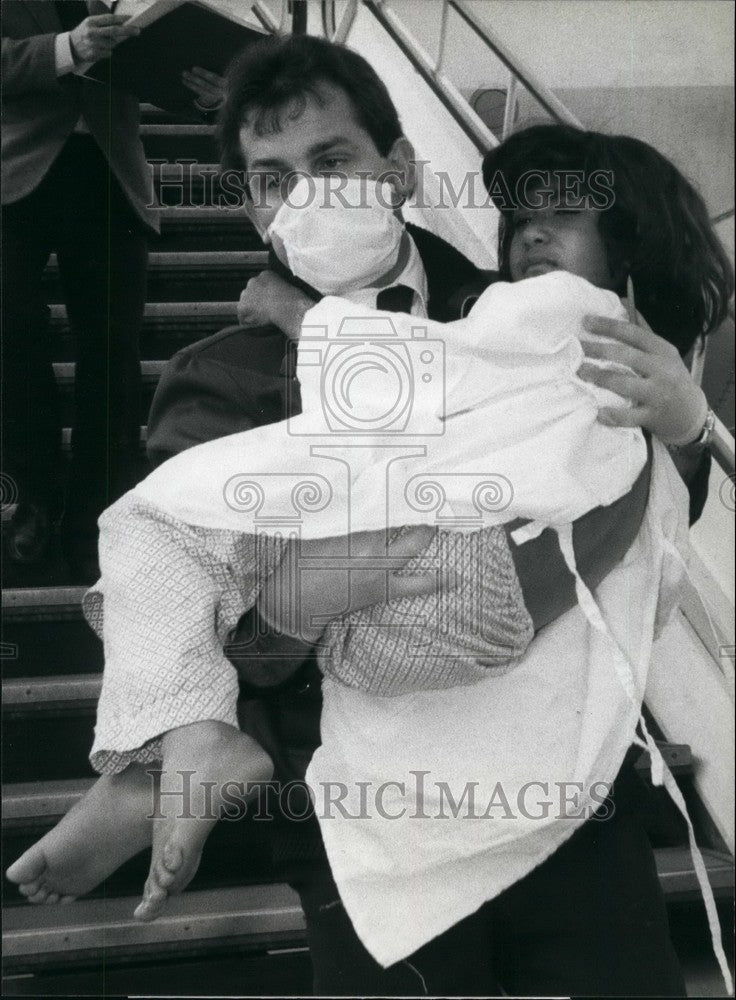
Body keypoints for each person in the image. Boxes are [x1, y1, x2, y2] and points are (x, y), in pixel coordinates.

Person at [6, 36, 727, 994]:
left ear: (400, 170)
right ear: (251, 207)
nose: (306, 196)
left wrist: (687, 426)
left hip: (568, 781)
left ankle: (157, 763)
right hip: (366, 804)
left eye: (333, 161)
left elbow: (629, 491)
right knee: (155, 531)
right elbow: (217, 602)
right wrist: (299, 600)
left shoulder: (517, 304)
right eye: (272, 180)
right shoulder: (215, 377)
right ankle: (173, 745)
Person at [1, 1, 224, 580]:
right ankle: (30, 498)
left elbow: (158, 64)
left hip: (110, 175)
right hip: (11, 174)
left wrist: (208, 95)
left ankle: (98, 518)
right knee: (11, 339)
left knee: (111, 352)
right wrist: (66, 48)